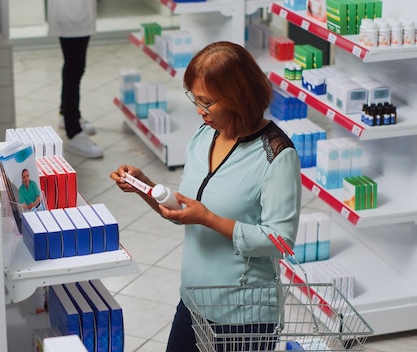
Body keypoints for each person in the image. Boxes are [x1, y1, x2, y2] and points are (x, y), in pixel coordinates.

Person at [110, 41, 302, 352]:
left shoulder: (276, 155)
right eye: (195, 99)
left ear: (238, 96)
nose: (200, 111)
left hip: (243, 316)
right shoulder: (204, 136)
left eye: (207, 102)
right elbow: (183, 210)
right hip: (194, 299)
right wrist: (143, 185)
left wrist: (208, 219)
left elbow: (280, 240)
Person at [47, 0, 103, 159]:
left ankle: (67, 115)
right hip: (71, 14)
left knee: (74, 68)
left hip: (78, 12)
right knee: (74, 69)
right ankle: (73, 132)